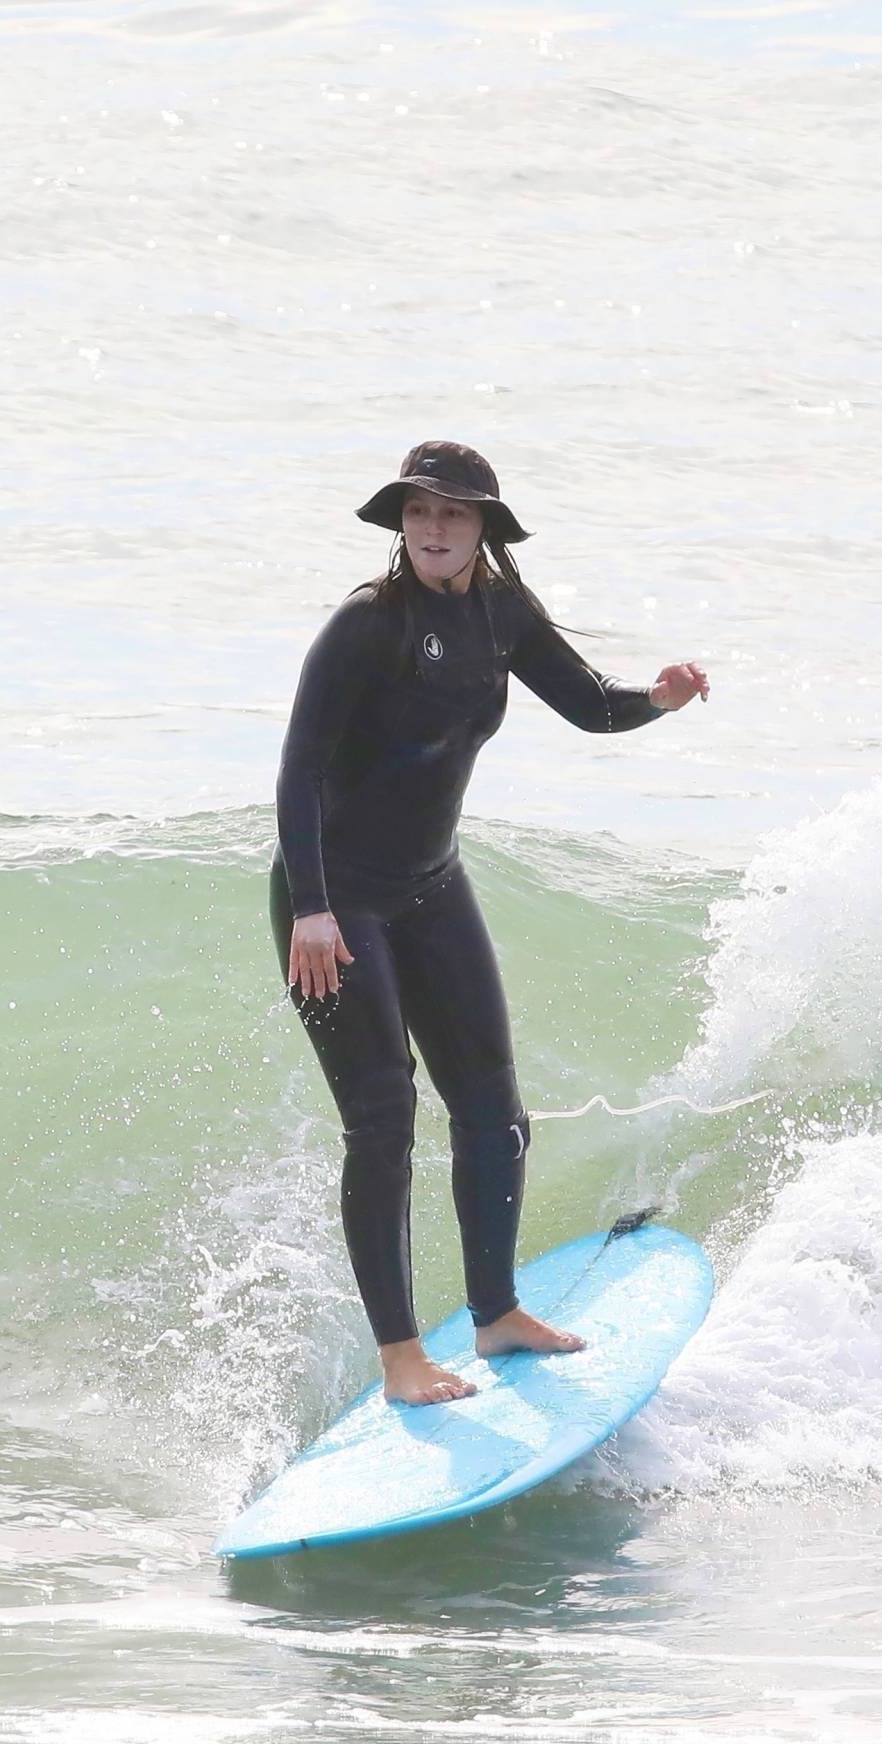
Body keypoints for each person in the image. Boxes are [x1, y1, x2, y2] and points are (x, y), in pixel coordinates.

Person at [271, 441, 709, 1405]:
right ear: (401, 523)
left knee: (493, 1110)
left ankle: (497, 1315)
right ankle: (400, 1362)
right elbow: (299, 770)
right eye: (420, 513)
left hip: (430, 885)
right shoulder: (364, 627)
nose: (434, 530)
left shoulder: (502, 613)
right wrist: (309, 906)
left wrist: (660, 701)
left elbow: (591, 706)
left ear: (483, 531)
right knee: (384, 1121)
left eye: (455, 516)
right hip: (336, 899)